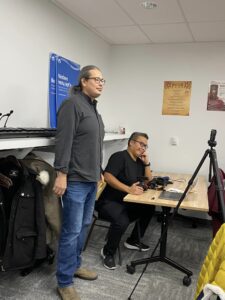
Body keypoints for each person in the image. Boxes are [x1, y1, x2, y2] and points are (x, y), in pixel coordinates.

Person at [53, 65, 105, 300]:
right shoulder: (72, 104)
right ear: (83, 81)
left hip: (91, 179)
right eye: (97, 79)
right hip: (74, 180)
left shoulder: (93, 109)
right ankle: (64, 281)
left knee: (83, 227)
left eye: (103, 80)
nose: (101, 83)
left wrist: (100, 171)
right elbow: (64, 141)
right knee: (71, 231)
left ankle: (75, 265)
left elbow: (93, 146)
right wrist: (61, 173)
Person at [96, 132, 155, 270]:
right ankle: (107, 252)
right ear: (131, 142)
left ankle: (133, 240)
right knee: (122, 220)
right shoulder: (119, 157)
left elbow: (150, 180)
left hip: (126, 201)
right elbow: (108, 177)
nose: (143, 148)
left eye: (145, 146)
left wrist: (147, 163)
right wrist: (128, 189)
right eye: (141, 144)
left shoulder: (139, 162)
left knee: (149, 208)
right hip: (108, 201)